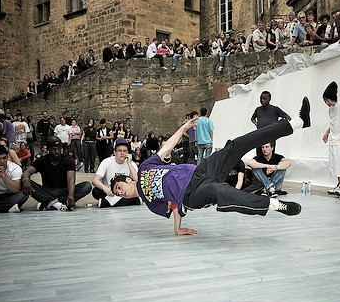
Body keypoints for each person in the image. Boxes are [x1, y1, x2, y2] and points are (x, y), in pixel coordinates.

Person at [110, 97, 310, 235]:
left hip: (200, 172)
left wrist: (182, 128)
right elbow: (175, 207)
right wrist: (178, 229)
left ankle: (297, 123)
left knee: (234, 146)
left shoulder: (145, 167)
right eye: (118, 194)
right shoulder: (151, 204)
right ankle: (274, 204)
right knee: (218, 190)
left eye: (119, 188)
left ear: (128, 179)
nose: (122, 193)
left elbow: (167, 147)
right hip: (192, 195)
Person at [21, 136, 92, 211]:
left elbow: (71, 180)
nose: (57, 151)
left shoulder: (68, 160)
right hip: (47, 191)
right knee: (23, 182)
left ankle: (49, 203)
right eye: (53, 149)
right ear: (48, 149)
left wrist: (71, 195)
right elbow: (27, 172)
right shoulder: (41, 160)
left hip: (64, 191)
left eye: (59, 148)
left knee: (87, 186)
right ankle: (56, 203)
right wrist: (26, 180)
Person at [92, 138, 140, 208]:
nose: (122, 153)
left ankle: (108, 203)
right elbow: (95, 180)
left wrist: (129, 164)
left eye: (125, 151)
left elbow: (137, 181)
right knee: (96, 191)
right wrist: (104, 188)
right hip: (109, 192)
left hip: (125, 192)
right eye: (120, 151)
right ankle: (133, 201)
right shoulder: (107, 162)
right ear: (115, 152)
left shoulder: (132, 164)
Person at [322, 82, 340, 196]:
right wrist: (327, 133)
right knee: (334, 162)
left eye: (327, 100)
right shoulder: (330, 109)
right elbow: (333, 123)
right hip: (333, 137)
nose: (327, 103)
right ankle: (338, 184)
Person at [251, 90, 291, 156]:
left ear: (269, 99)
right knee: (259, 155)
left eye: (264, 99)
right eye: (261, 99)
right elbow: (252, 118)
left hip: (271, 136)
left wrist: (279, 125)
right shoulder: (258, 109)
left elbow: (287, 117)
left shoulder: (275, 109)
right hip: (259, 135)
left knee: (269, 155)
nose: (262, 100)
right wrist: (257, 124)